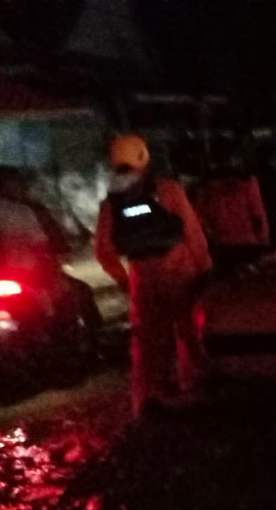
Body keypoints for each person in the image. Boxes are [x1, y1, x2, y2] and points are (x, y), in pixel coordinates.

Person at [95, 134, 212, 417]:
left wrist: (124, 280)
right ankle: (196, 388)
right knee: (192, 332)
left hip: (143, 278)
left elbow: (104, 251)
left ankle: (150, 399)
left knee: (148, 342)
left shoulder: (112, 202)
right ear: (144, 157)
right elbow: (192, 233)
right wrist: (205, 268)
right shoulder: (168, 189)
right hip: (181, 274)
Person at [194, 151, 269, 268]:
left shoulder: (206, 188)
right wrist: (263, 239)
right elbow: (257, 214)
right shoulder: (248, 183)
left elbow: (200, 217)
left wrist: (210, 237)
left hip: (222, 244)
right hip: (248, 242)